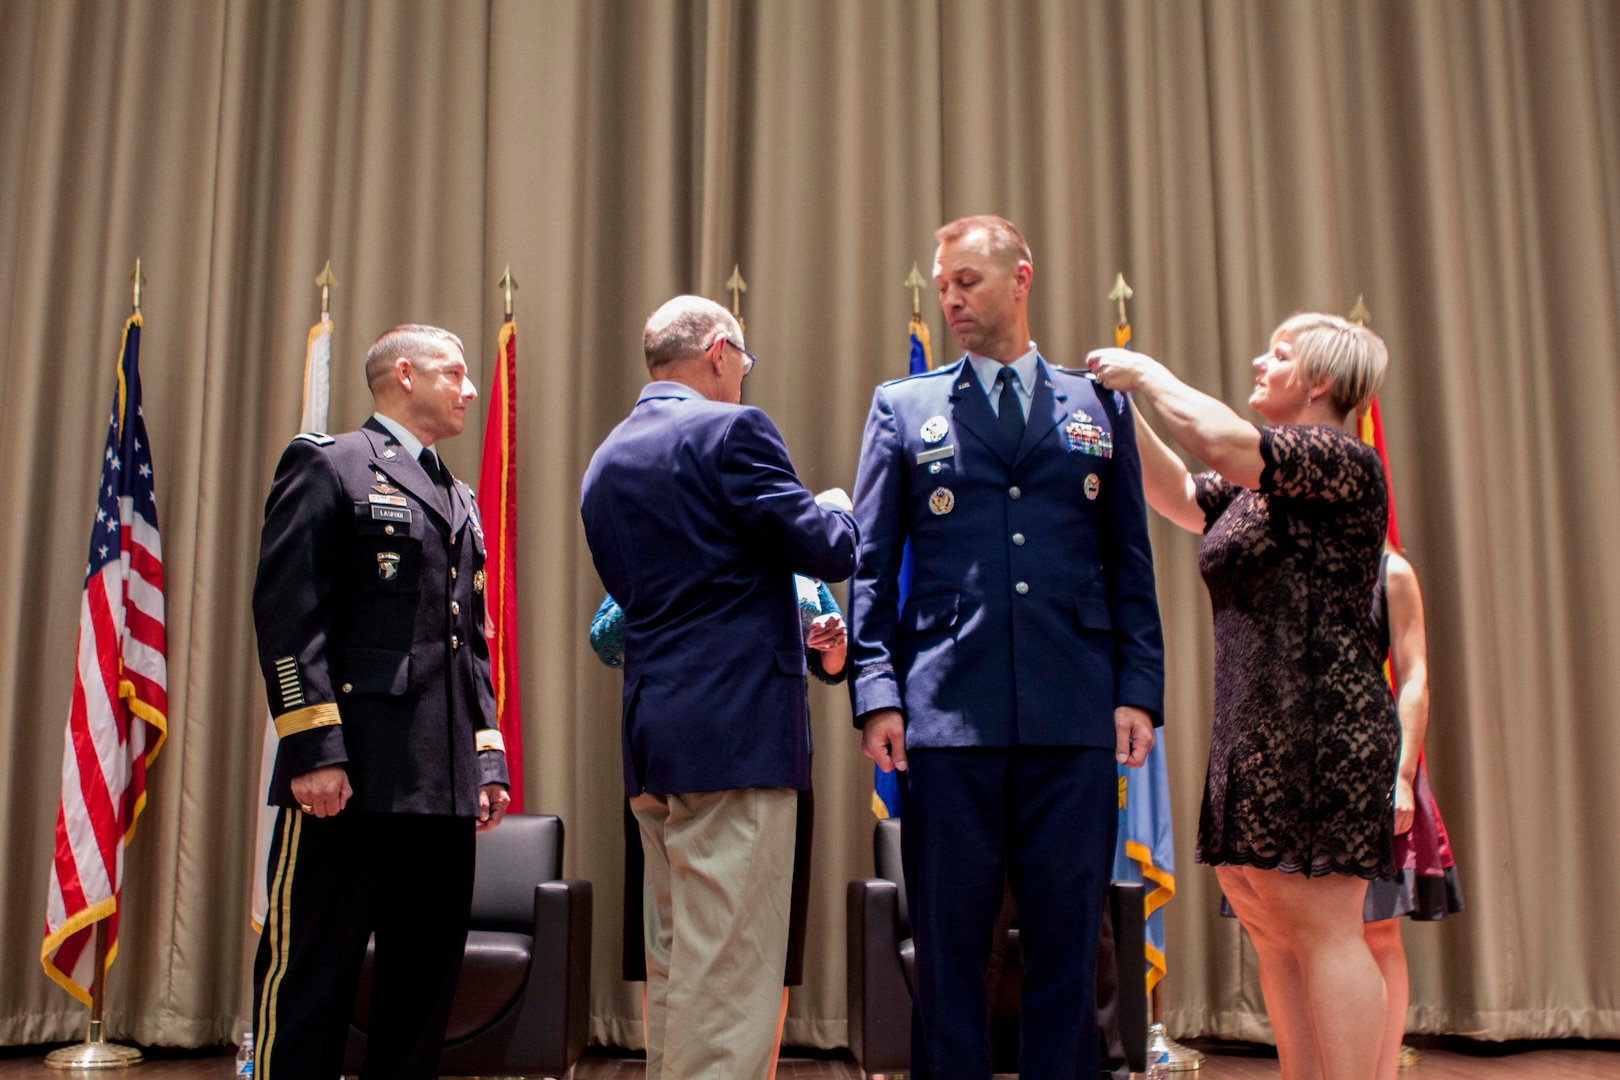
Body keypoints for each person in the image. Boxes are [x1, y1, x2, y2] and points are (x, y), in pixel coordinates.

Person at [850, 215, 1165, 1080]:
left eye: (968, 281)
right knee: (952, 953)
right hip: (949, 718)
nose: (950, 298)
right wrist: (877, 692)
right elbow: (872, 567)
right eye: (943, 283)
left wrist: (1138, 687)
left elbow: (1127, 559)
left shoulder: (1097, 403)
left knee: (1072, 942)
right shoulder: (905, 407)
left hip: (1071, 713)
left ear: (1021, 278)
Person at [1088, 313, 1395, 1080]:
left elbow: (1222, 442)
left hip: (1322, 734)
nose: (1260, 361)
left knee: (1322, 929)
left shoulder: (1340, 459)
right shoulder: (1256, 487)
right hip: (1254, 731)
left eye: (1280, 355)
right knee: (1272, 928)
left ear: (1320, 382)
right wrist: (1117, 407)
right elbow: (1176, 494)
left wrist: (1149, 374)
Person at [580, 295, 858, 1080]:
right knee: (731, 976)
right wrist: (840, 509)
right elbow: (825, 549)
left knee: (677, 965)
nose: (742, 375)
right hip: (737, 738)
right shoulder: (733, 430)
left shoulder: (606, 459)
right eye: (743, 360)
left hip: (653, 739)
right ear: (719, 350)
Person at [251, 324, 511, 1080]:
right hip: (349, 781)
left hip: (441, 785)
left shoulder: (456, 496)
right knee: (311, 980)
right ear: (405, 374)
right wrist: (313, 751)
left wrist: (484, 756)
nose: (469, 389)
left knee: (422, 990)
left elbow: (471, 643)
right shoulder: (331, 466)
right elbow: (288, 619)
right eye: (455, 373)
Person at [590, 577, 846, 1071]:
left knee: (769, 951)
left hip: (777, 759)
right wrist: (677, 588)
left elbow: (832, 665)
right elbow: (605, 638)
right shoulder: (665, 543)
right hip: (676, 754)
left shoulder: (793, 554)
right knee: (674, 946)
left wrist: (830, 641)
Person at [1362, 547, 1464, 1078]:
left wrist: (1401, 774)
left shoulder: (1391, 571)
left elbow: (1414, 676)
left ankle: (1380, 1072)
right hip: (1302, 770)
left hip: (1378, 765)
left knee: (1378, 930)